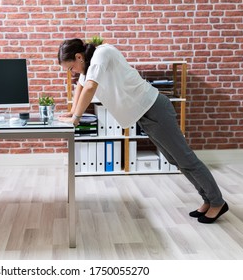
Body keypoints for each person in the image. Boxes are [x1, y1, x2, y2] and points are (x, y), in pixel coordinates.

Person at [57, 38, 229, 224]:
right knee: (175, 159)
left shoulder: (102, 53)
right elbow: (81, 86)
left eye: (70, 67)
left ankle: (218, 202)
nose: (71, 72)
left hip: (155, 109)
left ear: (78, 57)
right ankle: (208, 199)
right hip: (145, 114)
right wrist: (73, 112)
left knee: (185, 158)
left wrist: (76, 119)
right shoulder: (89, 65)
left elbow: (90, 87)